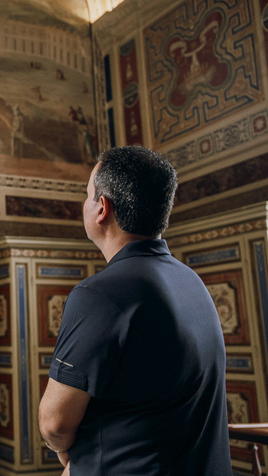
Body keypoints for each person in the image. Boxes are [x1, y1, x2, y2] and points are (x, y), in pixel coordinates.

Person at [38, 146, 231, 475]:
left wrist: (71, 456)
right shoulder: (193, 282)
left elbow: (55, 423)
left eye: (87, 195)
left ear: (102, 208)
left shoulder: (98, 294)